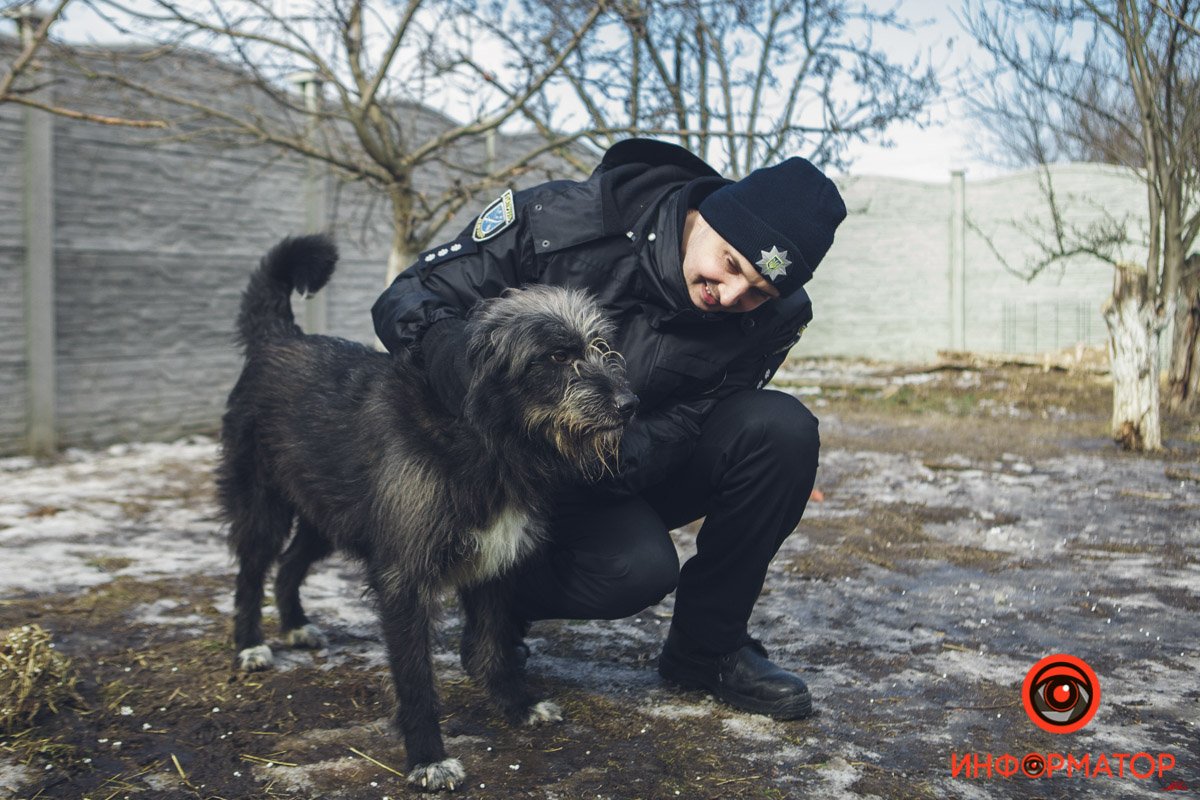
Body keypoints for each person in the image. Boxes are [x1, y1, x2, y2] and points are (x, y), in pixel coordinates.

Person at [371, 138, 846, 720]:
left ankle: (707, 649)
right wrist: (454, 362)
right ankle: (490, 598)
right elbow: (407, 296)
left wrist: (597, 458)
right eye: (730, 265)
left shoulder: (774, 317)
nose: (731, 296)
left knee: (779, 430)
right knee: (634, 568)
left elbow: (697, 415)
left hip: (617, 462)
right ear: (705, 216)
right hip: (497, 466)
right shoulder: (562, 220)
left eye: (759, 291)